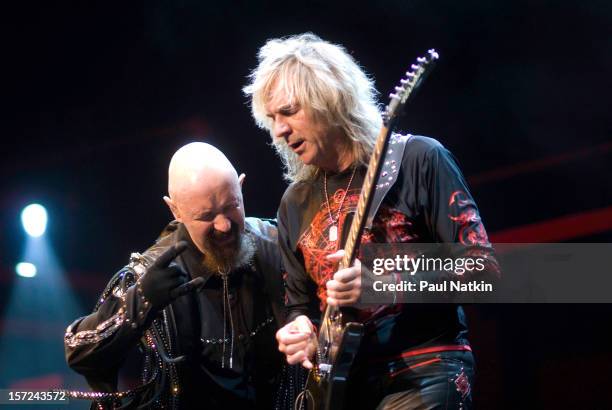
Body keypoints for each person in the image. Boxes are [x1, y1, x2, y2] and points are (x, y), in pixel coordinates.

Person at [244, 33, 500, 409]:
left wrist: (386, 283)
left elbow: (485, 270)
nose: (279, 130)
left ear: (329, 100)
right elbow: (299, 305)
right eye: (272, 119)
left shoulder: (417, 159)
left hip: (424, 370)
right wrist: (302, 330)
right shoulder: (294, 203)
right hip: (345, 387)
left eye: (289, 111)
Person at [64, 142, 288, 409]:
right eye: (206, 216)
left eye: (231, 205)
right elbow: (78, 351)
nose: (224, 225)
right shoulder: (150, 273)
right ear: (175, 211)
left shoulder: (276, 243)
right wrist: (140, 301)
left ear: (241, 186)